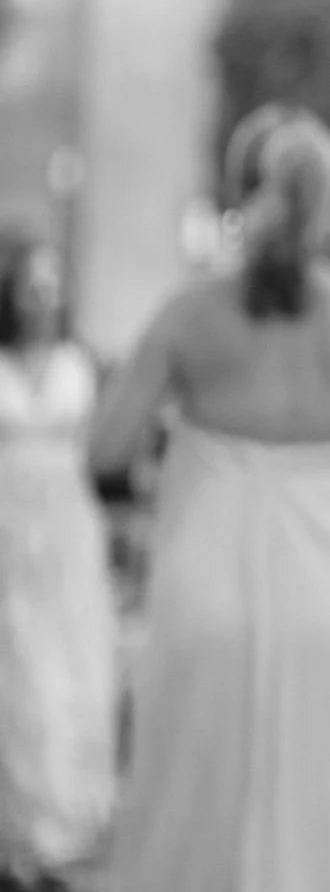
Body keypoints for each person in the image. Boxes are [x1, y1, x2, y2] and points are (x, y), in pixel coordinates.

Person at [91, 110, 330, 892]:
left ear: (238, 194)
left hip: (201, 594)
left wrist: (164, 490)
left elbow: (105, 451)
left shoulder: (186, 315)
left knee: (189, 798)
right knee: (318, 796)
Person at [0, 236, 117, 891]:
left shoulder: (79, 363)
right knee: (19, 672)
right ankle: (19, 828)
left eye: (51, 284)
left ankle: (68, 822)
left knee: (74, 668)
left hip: (68, 532)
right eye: (31, 286)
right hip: (8, 532)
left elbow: (103, 449)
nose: (42, 298)